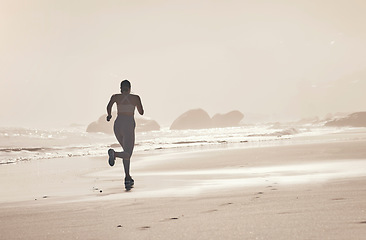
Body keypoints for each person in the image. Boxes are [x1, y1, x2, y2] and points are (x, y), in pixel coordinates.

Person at [106, 80, 144, 188]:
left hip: (117, 124)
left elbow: (108, 107)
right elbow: (141, 112)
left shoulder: (115, 97)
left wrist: (109, 116)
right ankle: (114, 154)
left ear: (120, 88)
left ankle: (127, 177)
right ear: (130, 87)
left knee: (126, 152)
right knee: (128, 153)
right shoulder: (135, 98)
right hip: (128, 124)